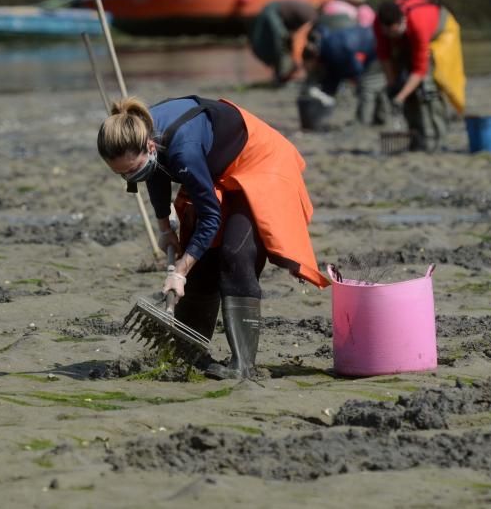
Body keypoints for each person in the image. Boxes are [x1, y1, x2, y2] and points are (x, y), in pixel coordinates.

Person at [97, 96, 329, 379]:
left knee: (234, 254)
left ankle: (243, 365)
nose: (130, 177)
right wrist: (165, 230)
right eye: (121, 174)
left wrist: (179, 271)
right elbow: (154, 172)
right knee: (200, 257)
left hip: (262, 163)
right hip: (219, 168)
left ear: (149, 145)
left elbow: (210, 218)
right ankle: (189, 351)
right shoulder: (140, 129)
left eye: (132, 170)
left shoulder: (184, 150)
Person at [373, 0, 467, 151]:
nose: (391, 35)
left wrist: (400, 97)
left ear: (402, 21)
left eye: (394, 31)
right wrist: (393, 85)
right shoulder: (379, 25)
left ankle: (438, 138)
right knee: (405, 87)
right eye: (388, 33)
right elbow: (385, 57)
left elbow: (420, 70)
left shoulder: (418, 24)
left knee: (429, 87)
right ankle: (416, 138)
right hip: (408, 38)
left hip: (440, 31)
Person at [247, 0, 318, 84]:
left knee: (281, 41)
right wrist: (297, 60)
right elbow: (298, 39)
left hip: (278, 13)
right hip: (273, 10)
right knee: (279, 40)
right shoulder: (312, 18)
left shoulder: (309, 20)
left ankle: (280, 75)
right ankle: (278, 75)